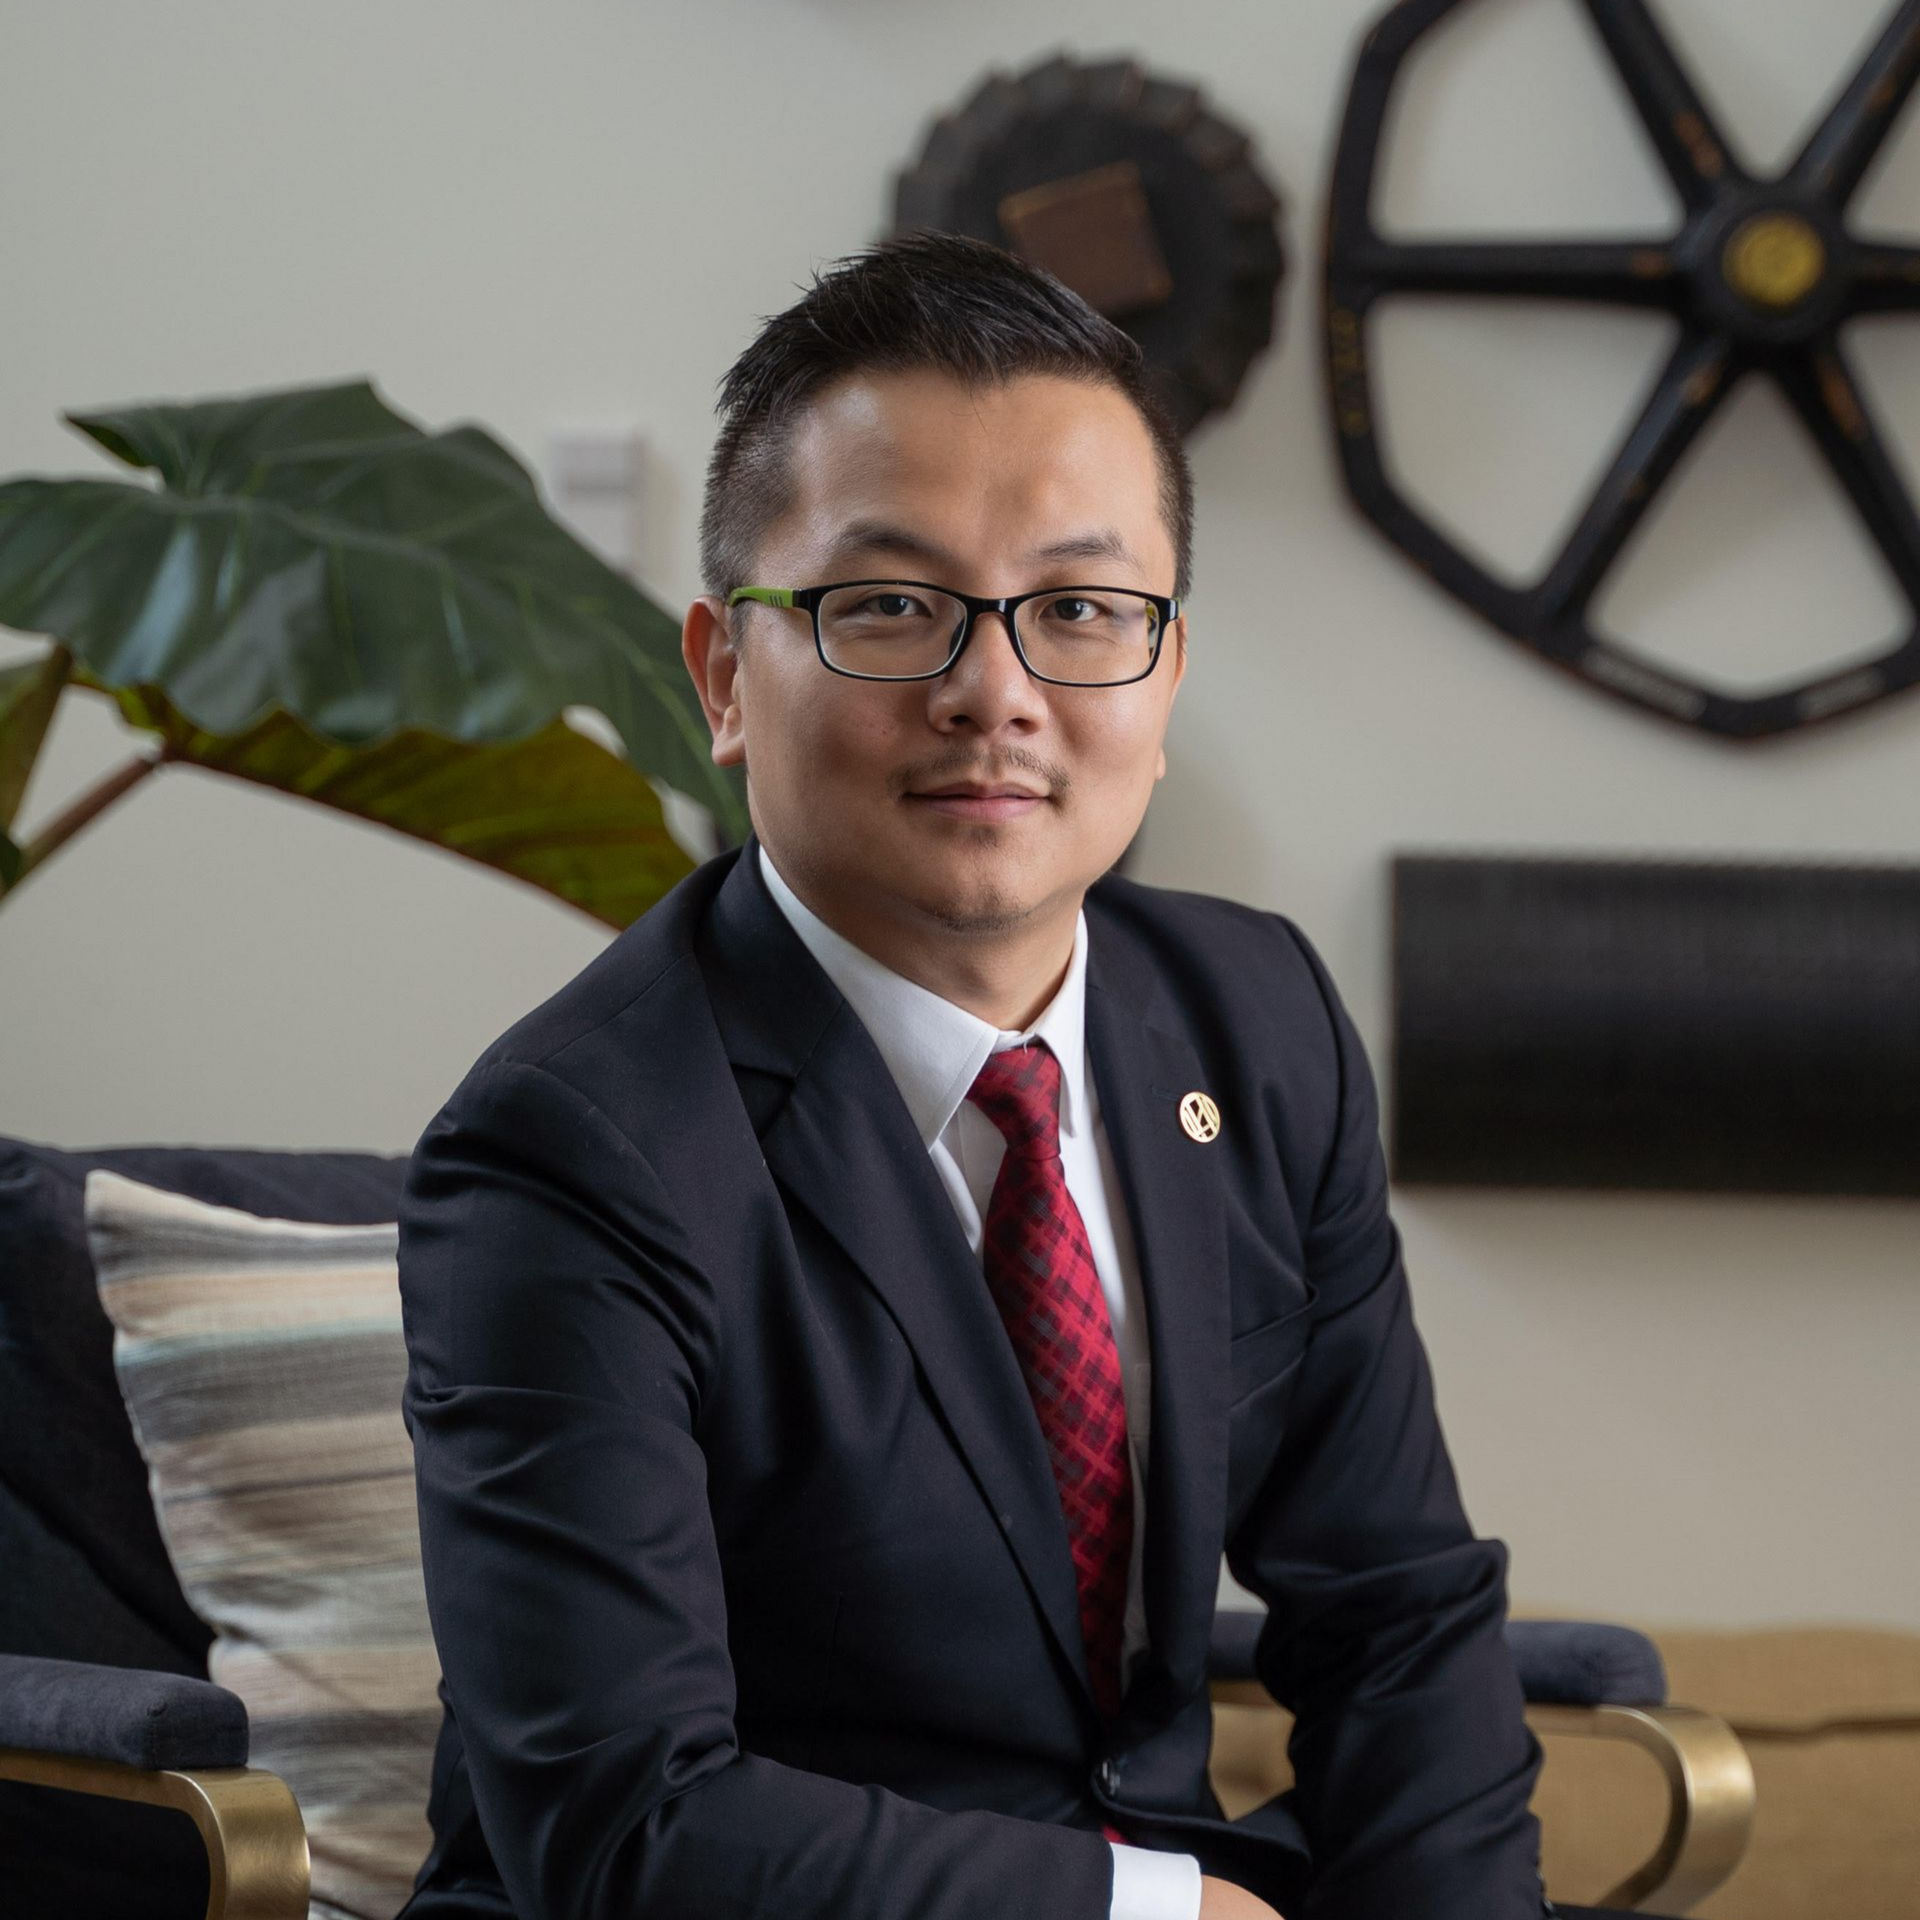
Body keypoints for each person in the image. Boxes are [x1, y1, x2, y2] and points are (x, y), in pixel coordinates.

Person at [394, 230, 1631, 1920]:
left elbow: (1396, 1616)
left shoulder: (1255, 1022)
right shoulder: (570, 1145)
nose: (996, 693)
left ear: (1167, 671)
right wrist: (1163, 1919)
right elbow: (626, 1825)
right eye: (889, 606)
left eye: (1081, 611)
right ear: (723, 677)